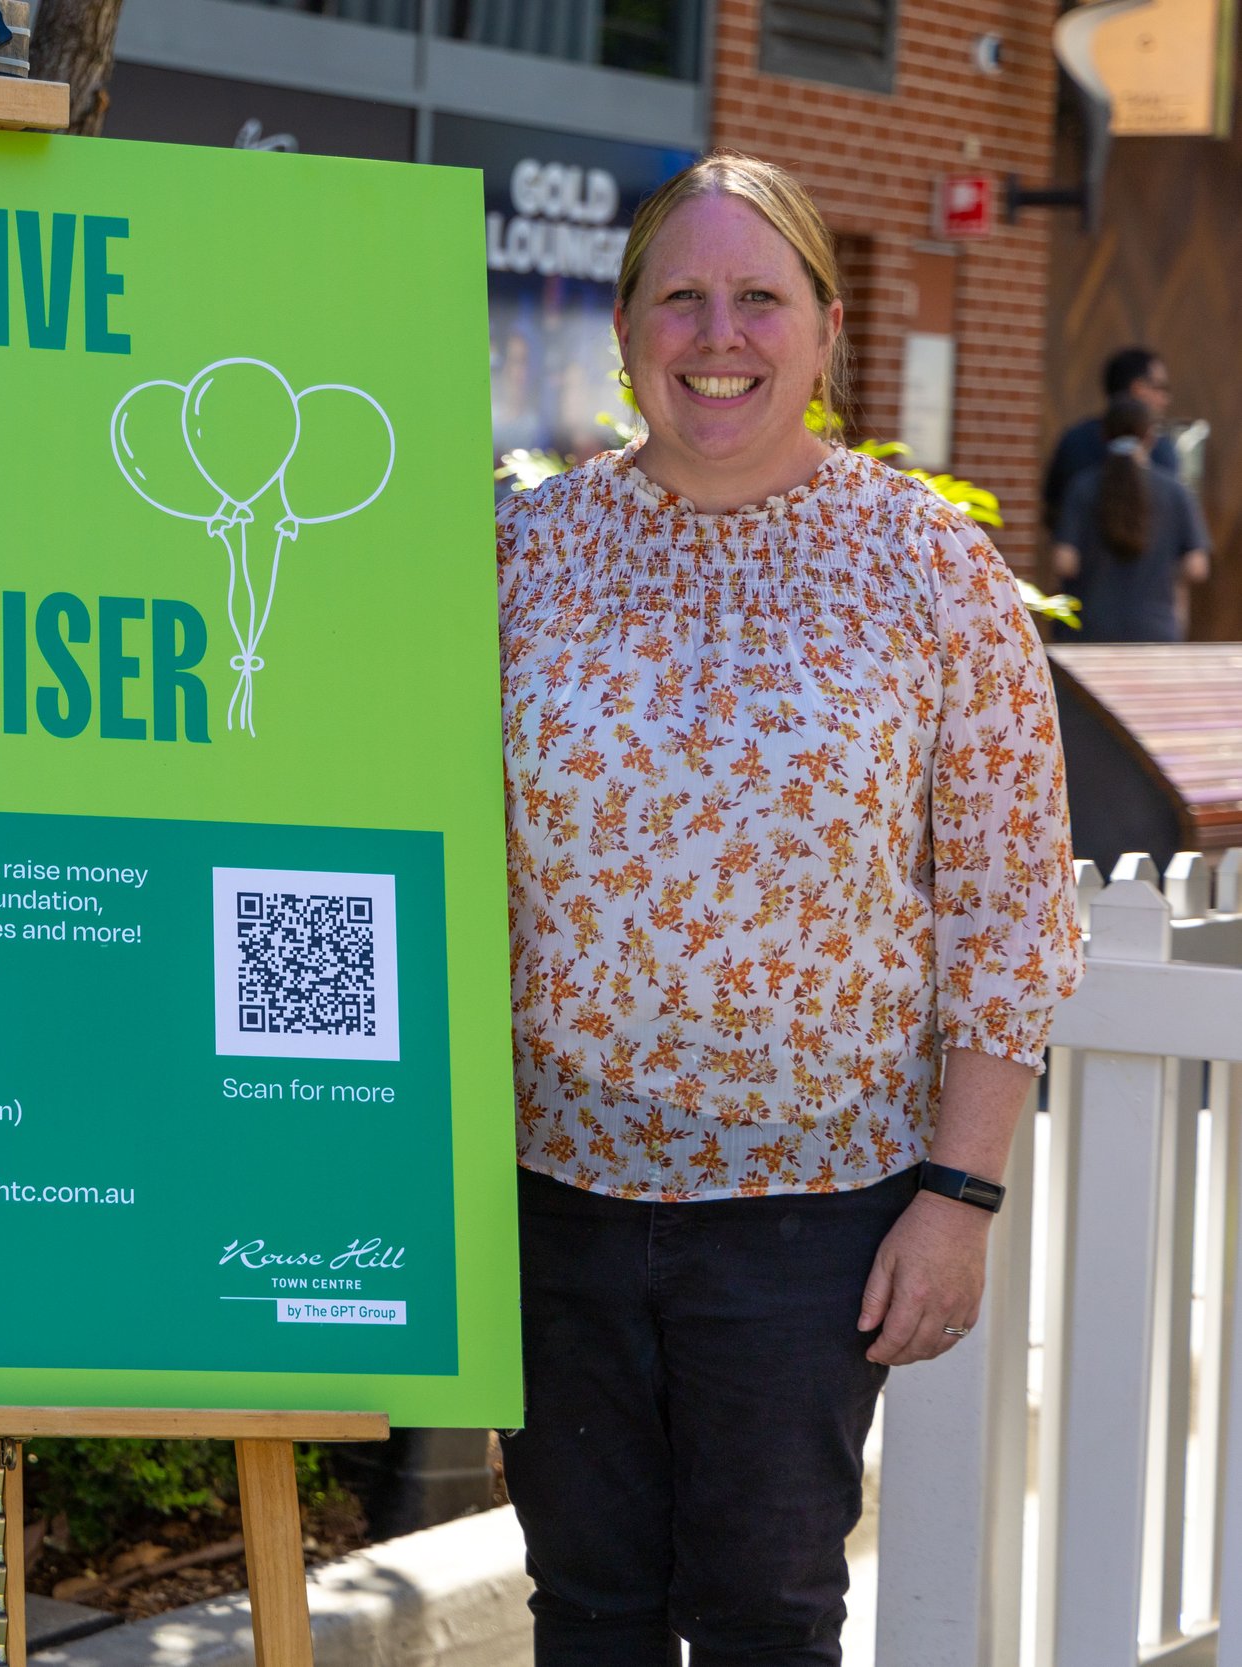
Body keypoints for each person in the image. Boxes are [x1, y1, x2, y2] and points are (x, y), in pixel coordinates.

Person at [496, 153, 1082, 1664]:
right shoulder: (518, 559)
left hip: (813, 1210)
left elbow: (1011, 905)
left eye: (760, 297)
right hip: (551, 1190)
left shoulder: (931, 568)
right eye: (680, 297)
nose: (719, 333)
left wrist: (959, 1199)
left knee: (768, 1610)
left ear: (826, 330)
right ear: (625, 331)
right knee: (590, 1608)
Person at [1054, 397, 1212, 641]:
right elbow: (1197, 567)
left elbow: (1065, 562)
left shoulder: (1083, 487)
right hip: (1156, 629)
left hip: (1091, 630)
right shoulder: (1175, 491)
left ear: (1104, 436)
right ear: (1151, 436)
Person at [1043, 345, 1178, 537]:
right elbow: (1174, 520)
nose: (1166, 399)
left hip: (1083, 562)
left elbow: (1053, 509)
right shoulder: (1160, 448)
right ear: (1138, 388)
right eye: (1161, 388)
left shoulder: (1074, 439)